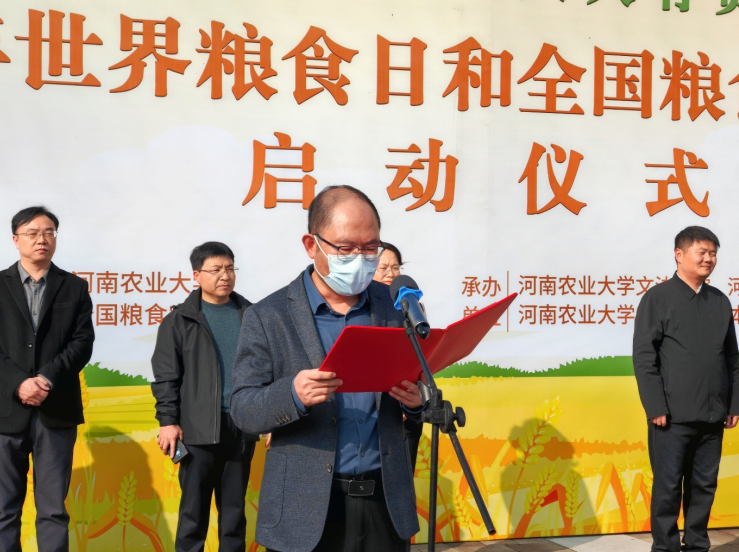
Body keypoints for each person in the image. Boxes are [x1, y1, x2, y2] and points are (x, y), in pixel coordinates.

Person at [230, 185, 422, 552]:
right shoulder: (269, 316)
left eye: (371, 248)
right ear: (311, 244)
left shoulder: (395, 307)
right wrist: (292, 394)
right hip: (305, 510)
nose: (360, 259)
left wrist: (416, 403)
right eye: (346, 249)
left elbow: (420, 386)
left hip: (385, 504)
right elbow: (243, 409)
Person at [633, 226, 739, 552]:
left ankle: (696, 545)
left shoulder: (719, 301)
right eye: (701, 252)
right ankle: (665, 547)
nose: (708, 259)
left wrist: (733, 405)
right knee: (667, 488)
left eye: (713, 253)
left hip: (713, 414)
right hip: (671, 416)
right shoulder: (657, 298)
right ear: (679, 255)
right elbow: (644, 357)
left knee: (704, 486)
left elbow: (732, 359)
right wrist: (655, 407)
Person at [151, 242, 257, 552]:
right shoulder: (179, 320)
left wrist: (271, 418)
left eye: (230, 268)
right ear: (196, 276)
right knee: (193, 514)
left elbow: (267, 369)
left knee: (234, 514)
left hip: (242, 426)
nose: (225, 276)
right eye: (216, 270)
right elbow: (166, 376)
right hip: (197, 430)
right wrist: (168, 421)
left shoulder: (252, 315)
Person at [0, 206, 94, 552]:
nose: (42, 239)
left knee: (53, 509)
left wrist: (45, 378)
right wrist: (19, 383)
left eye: (49, 232)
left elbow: (82, 343)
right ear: (16, 240)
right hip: (5, 412)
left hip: (57, 410)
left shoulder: (74, 287)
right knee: (3, 509)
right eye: (33, 233)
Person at [372, 243, 423, 471]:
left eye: (395, 267)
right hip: (371, 413)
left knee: (401, 480)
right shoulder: (361, 310)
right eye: (383, 268)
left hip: (407, 407)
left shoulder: (412, 307)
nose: (390, 274)